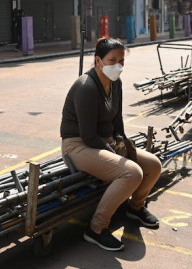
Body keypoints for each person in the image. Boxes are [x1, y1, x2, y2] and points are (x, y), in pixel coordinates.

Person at [60, 37, 162, 252]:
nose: (118, 65)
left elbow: (117, 120)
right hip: (78, 146)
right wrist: (117, 155)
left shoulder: (116, 83)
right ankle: (96, 229)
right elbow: (87, 135)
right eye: (112, 60)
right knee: (132, 173)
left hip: (103, 141)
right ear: (98, 60)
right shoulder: (86, 87)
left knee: (153, 165)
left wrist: (124, 142)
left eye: (122, 60)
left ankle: (135, 208)